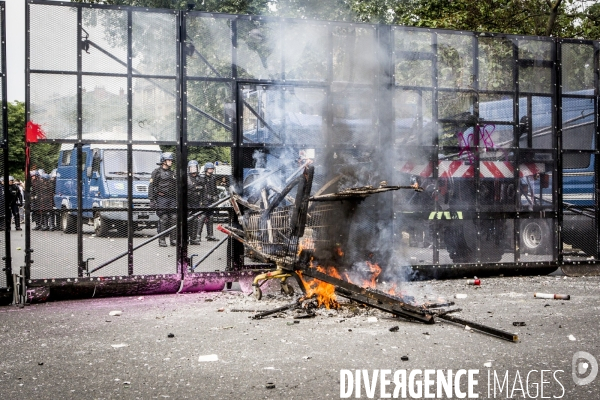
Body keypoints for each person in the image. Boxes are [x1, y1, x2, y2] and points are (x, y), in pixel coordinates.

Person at [149, 152, 177, 247]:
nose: (171, 162)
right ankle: (162, 240)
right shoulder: (156, 172)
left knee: (174, 218)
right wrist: (152, 200)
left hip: (172, 198)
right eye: (169, 160)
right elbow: (151, 187)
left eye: (171, 160)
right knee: (164, 218)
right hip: (161, 198)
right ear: (163, 161)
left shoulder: (173, 173)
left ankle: (173, 240)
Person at [197, 162, 219, 241]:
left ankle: (210, 235)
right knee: (202, 217)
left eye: (212, 168)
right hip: (203, 201)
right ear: (206, 169)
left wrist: (216, 196)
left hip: (210, 201)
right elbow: (199, 189)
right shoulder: (202, 177)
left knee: (210, 217)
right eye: (210, 169)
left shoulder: (213, 178)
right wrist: (204, 197)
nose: (211, 170)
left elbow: (214, 189)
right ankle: (198, 235)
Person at [187, 160, 202, 245]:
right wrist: (195, 188)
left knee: (195, 220)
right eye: (191, 168)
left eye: (194, 167)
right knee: (188, 221)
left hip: (196, 202)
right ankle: (185, 238)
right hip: (187, 202)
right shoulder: (186, 178)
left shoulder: (199, 178)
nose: (193, 169)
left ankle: (193, 239)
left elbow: (203, 189)